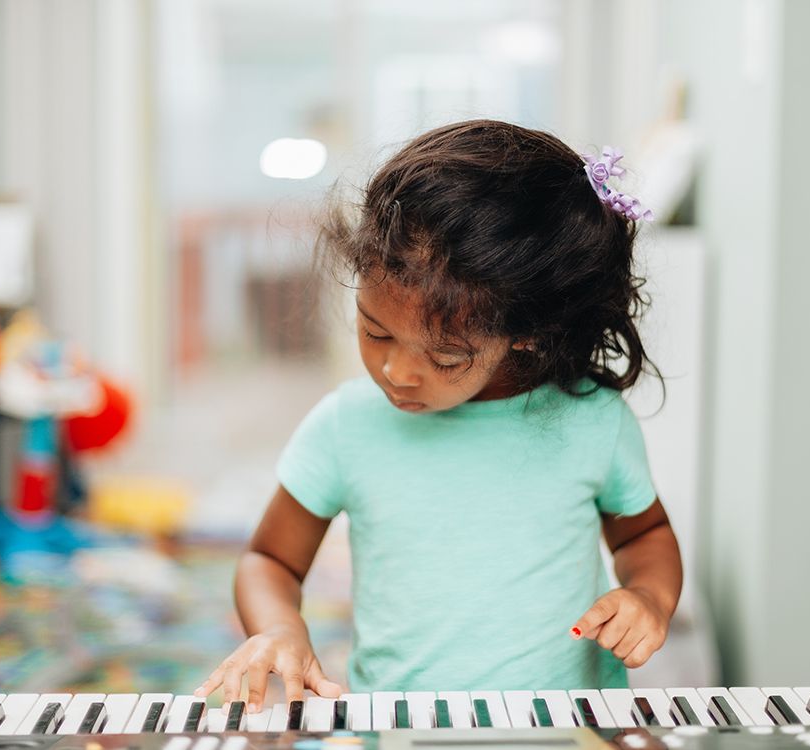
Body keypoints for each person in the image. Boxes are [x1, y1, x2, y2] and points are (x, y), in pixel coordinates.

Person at [196, 120, 682, 712]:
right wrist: (278, 629)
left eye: (445, 355)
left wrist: (648, 596)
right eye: (376, 332)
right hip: (399, 725)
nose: (397, 371)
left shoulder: (592, 422)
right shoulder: (346, 426)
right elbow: (269, 559)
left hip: (567, 724)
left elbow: (645, 535)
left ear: (526, 334)